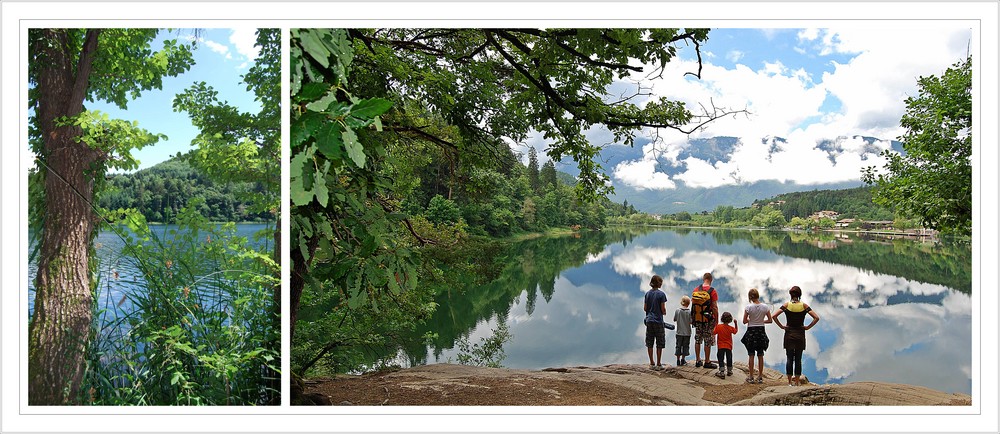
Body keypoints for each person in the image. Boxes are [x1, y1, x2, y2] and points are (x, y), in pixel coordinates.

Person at [772, 285, 820, 386]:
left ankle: (789, 382)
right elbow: (816, 318)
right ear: (799, 295)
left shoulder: (786, 305)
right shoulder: (804, 306)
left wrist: (781, 326)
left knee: (789, 359)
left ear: (790, 294)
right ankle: (797, 382)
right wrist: (807, 327)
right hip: (800, 334)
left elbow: (774, 316)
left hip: (789, 333)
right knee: (798, 359)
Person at [741, 288, 773, 384]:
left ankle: (751, 377)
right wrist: (761, 321)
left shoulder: (748, 307)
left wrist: (751, 320)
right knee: (760, 355)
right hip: (761, 331)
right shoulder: (765, 307)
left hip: (751, 331)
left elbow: (744, 321)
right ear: (758, 295)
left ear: (750, 297)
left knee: (751, 355)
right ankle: (760, 377)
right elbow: (770, 320)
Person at [691, 272, 719, 369]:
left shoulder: (696, 290)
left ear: (703, 279)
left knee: (698, 339)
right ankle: (707, 361)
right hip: (708, 319)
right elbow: (715, 307)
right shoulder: (712, 291)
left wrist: (693, 318)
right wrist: (716, 321)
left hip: (698, 318)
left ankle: (698, 360)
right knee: (708, 340)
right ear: (711, 280)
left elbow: (693, 306)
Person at [643, 275, 668, 370]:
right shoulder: (661, 294)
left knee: (650, 342)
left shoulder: (647, 294)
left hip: (649, 320)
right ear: (659, 283)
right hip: (658, 320)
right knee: (659, 342)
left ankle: (651, 363)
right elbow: (663, 309)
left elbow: (645, 308)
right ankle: (658, 363)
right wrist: (664, 312)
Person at [713, 312, 738, 378]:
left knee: (720, 358)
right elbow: (735, 331)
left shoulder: (718, 327)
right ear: (730, 320)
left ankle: (722, 372)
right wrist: (736, 323)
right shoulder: (730, 328)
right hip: (728, 346)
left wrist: (714, 325)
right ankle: (729, 371)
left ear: (722, 319)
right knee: (729, 358)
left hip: (721, 346)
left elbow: (714, 333)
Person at [673, 296, 693, 366]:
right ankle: (683, 359)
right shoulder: (689, 312)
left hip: (679, 332)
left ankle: (678, 360)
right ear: (688, 303)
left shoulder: (677, 310)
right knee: (685, 346)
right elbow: (691, 322)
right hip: (687, 333)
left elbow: (674, 319)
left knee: (678, 346)